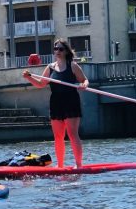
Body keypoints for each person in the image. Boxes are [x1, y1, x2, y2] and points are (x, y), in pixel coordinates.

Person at [23, 39, 89, 168]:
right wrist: (29, 77)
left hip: (71, 102)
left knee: (72, 134)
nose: (57, 51)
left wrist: (84, 85)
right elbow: (41, 84)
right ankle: (60, 166)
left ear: (66, 51)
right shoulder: (50, 67)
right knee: (58, 137)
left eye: (60, 49)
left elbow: (85, 80)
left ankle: (79, 165)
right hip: (56, 103)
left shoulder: (72, 65)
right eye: (55, 49)